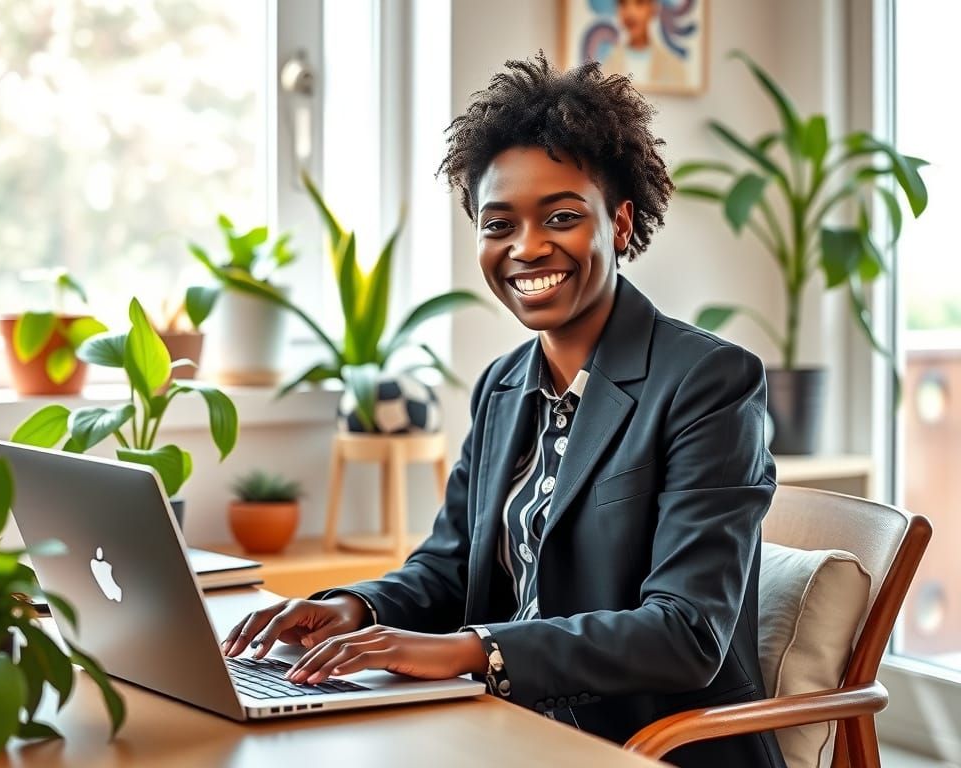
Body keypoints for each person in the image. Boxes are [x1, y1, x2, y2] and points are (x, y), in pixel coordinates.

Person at [223, 52, 785, 767]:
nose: (527, 247)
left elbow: (686, 633)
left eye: (561, 217)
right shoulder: (502, 385)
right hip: (503, 729)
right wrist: (353, 608)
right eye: (498, 224)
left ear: (619, 223)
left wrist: (470, 650)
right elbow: (449, 568)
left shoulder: (708, 382)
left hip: (643, 746)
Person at [601, 0, 688, 88]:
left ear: (653, 9)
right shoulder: (607, 67)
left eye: (639, 3)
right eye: (623, 3)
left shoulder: (674, 68)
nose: (630, 12)